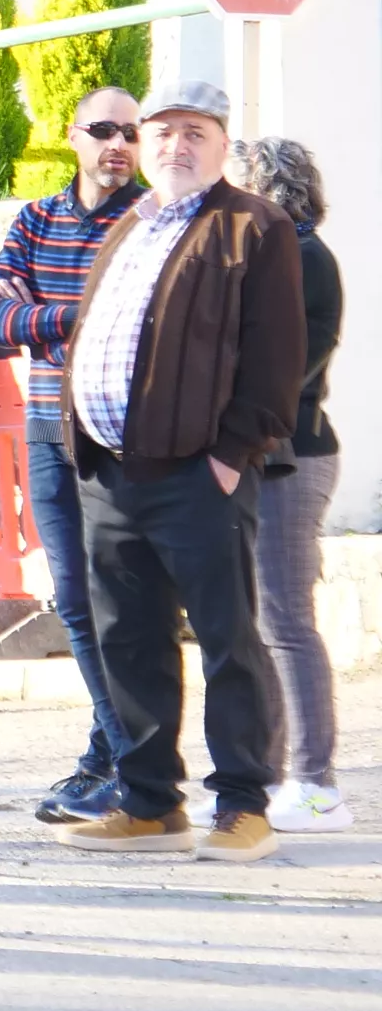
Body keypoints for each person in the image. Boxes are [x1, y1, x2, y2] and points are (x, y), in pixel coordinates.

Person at [51, 85, 306, 861]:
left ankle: (242, 803)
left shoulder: (252, 227)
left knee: (229, 639)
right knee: (129, 640)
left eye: (193, 133)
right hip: (108, 474)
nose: (174, 147)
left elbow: (277, 355)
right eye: (159, 133)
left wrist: (232, 455)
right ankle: (152, 804)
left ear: (222, 144)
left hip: (201, 474)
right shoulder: (129, 225)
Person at [0, 86, 145, 817]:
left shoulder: (148, 223)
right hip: (48, 430)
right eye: (103, 129)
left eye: (131, 132)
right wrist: (74, 317)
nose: (119, 144)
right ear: (71, 136)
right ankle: (112, 755)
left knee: (123, 603)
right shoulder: (36, 220)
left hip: (124, 439)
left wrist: (38, 322)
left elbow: (147, 320)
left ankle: (131, 767)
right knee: (73, 599)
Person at [235, 138, 349, 834]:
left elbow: (294, 363)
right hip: (275, 454)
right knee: (268, 621)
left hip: (293, 456)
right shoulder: (285, 256)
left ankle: (315, 782)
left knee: (286, 621)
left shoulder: (304, 257)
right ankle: (280, 776)